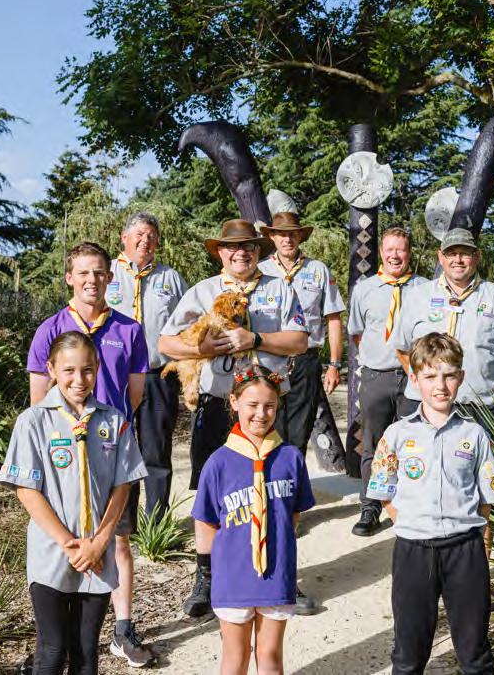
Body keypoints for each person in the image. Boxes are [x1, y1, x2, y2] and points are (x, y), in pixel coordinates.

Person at [158, 219, 308, 619]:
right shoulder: (203, 291)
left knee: (275, 491)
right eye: (232, 247)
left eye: (249, 247)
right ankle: (206, 578)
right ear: (220, 253)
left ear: (259, 251)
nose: (241, 253)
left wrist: (256, 339)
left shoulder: (280, 289)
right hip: (218, 403)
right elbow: (165, 342)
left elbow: (300, 340)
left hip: (266, 407)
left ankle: (282, 574)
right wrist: (200, 349)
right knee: (212, 493)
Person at [27, 242, 154, 668]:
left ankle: (123, 627)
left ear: (110, 277)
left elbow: (134, 395)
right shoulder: (50, 329)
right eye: (83, 272)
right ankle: (54, 633)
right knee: (61, 533)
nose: (91, 280)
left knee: (117, 540)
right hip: (62, 462)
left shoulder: (129, 330)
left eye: (99, 272)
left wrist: (102, 429)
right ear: (70, 277)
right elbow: (39, 401)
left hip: (110, 452)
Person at [0, 331, 147, 675]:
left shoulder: (114, 421)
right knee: (52, 650)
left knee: (86, 652)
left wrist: (99, 543)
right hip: (52, 553)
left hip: (97, 555)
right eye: (68, 370)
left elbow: (122, 485)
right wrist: (70, 544)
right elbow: (27, 490)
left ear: (97, 369)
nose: (79, 380)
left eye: (87, 370)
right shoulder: (33, 421)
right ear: (51, 369)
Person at [368, 333, 494, 674]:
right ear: (414, 379)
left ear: (461, 377)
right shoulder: (397, 435)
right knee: (408, 655)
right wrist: (406, 520)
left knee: (475, 654)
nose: (440, 386)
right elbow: (383, 489)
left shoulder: (475, 435)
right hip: (414, 551)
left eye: (449, 375)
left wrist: (477, 544)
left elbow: (486, 501)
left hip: (464, 551)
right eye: (429, 376)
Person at [191, 364, 315, 675]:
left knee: (270, 657)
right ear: (234, 402)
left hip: (276, 574)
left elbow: (293, 513)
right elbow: (206, 523)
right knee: (235, 659)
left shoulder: (290, 458)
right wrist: (208, 573)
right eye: (253, 405)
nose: (261, 414)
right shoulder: (218, 463)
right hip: (232, 576)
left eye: (270, 405)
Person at [394, 228, 494, 426]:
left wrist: (490, 382)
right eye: (451, 253)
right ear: (441, 257)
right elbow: (402, 349)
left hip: (480, 408)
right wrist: (424, 382)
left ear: (477, 256)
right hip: (422, 405)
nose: (458, 259)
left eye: (465, 253)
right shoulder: (417, 296)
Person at [347, 227, 427, 537]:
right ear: (381, 252)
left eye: (401, 249)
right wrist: (377, 357)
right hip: (376, 377)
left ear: (410, 253)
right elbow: (357, 333)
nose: (395, 255)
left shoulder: (424, 289)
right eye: (389, 249)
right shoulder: (364, 289)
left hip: (413, 379)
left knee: (413, 444)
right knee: (374, 444)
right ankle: (371, 506)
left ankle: (410, 506)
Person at [108, 211, 187, 519]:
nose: (146, 241)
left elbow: (188, 322)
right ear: (124, 238)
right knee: (119, 451)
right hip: (115, 380)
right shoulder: (106, 273)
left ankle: (156, 525)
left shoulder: (171, 278)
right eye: (139, 234)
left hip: (158, 376)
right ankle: (123, 524)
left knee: (156, 452)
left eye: (152, 236)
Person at [259, 211, 345, 453]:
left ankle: (293, 475)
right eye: (281, 234)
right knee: (268, 428)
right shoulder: (260, 269)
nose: (287, 239)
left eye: (292, 234)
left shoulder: (318, 270)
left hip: (305, 361)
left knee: (299, 432)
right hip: (268, 359)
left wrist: (334, 364)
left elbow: (333, 318)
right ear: (272, 237)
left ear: (300, 237)